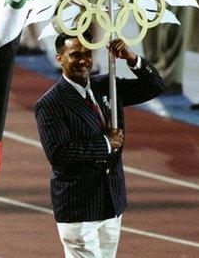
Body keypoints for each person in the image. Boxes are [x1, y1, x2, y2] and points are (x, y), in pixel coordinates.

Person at [34, 32, 164, 258]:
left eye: (87, 54)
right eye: (75, 55)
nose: (83, 60)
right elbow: (59, 153)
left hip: (110, 200)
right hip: (79, 205)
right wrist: (106, 143)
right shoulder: (50, 104)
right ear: (59, 59)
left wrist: (131, 58)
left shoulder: (106, 85)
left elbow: (155, 86)